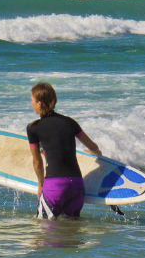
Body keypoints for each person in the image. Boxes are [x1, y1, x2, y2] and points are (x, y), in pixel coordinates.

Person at [26, 81, 100, 219]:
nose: (31, 104)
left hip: (54, 186)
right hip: (77, 185)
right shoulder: (70, 122)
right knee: (72, 232)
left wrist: (40, 185)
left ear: (40, 103)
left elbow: (37, 162)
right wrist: (97, 154)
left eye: (32, 100)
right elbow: (92, 146)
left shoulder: (33, 128)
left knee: (43, 232)